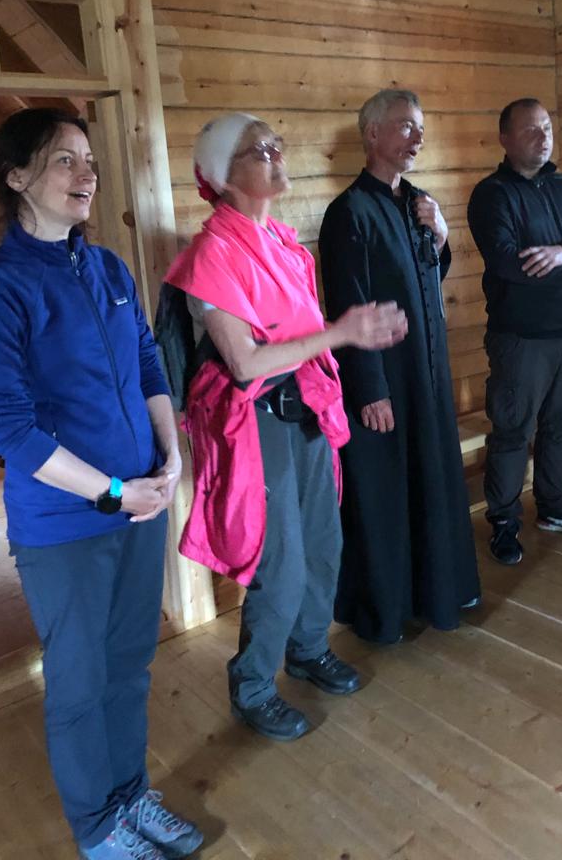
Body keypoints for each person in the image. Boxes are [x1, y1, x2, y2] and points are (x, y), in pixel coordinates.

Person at [0, 109, 203, 860]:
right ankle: (99, 829)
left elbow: (147, 364)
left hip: (140, 505)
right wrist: (112, 493)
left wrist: (170, 455)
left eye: (89, 160)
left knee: (129, 665)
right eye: (64, 159)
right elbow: (8, 427)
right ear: (16, 177)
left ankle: (130, 797)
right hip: (66, 525)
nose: (87, 174)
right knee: (78, 679)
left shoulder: (107, 269)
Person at [164, 113, 407, 741]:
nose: (275, 156)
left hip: (307, 410)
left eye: (277, 145)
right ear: (222, 176)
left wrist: (340, 338)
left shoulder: (284, 246)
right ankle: (252, 685)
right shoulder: (212, 255)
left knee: (325, 545)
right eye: (258, 150)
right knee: (283, 563)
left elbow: (301, 338)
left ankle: (308, 649)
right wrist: (343, 332)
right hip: (257, 422)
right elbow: (245, 364)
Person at [317, 89, 481, 646]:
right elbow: (348, 303)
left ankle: (437, 593)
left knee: (432, 479)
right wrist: (370, 389)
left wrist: (442, 235)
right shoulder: (348, 214)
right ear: (372, 133)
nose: (418, 137)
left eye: (420, 128)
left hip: (427, 373)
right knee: (387, 492)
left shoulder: (418, 202)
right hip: (384, 379)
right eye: (407, 126)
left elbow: (427, 276)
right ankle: (386, 611)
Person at [467, 97, 562, 566]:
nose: (542, 137)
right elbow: (509, 263)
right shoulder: (492, 195)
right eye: (530, 130)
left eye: (546, 127)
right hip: (519, 337)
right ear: (505, 139)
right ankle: (504, 522)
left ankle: (555, 508)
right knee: (513, 430)